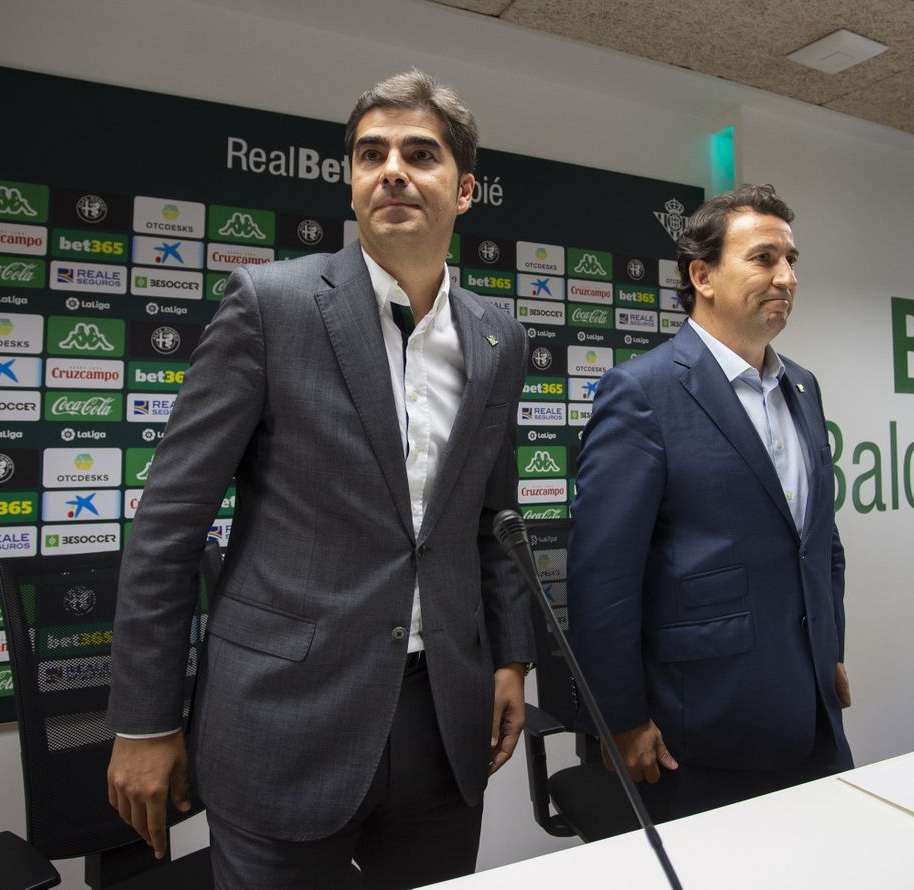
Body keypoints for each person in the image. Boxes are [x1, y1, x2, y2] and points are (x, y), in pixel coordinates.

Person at [105, 70, 533, 888]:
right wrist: (144, 722)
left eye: (420, 154)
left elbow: (493, 513)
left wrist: (511, 658)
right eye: (371, 155)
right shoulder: (272, 306)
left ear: (466, 188)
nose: (393, 171)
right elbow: (169, 523)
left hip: (442, 716)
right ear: (352, 182)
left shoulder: (498, 337)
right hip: (282, 718)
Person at [567, 183, 853, 822]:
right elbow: (602, 577)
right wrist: (619, 717)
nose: (786, 277)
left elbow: (819, 538)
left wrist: (829, 650)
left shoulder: (802, 386)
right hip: (697, 728)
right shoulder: (641, 392)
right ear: (703, 276)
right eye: (763, 259)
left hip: (810, 709)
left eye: (792, 260)